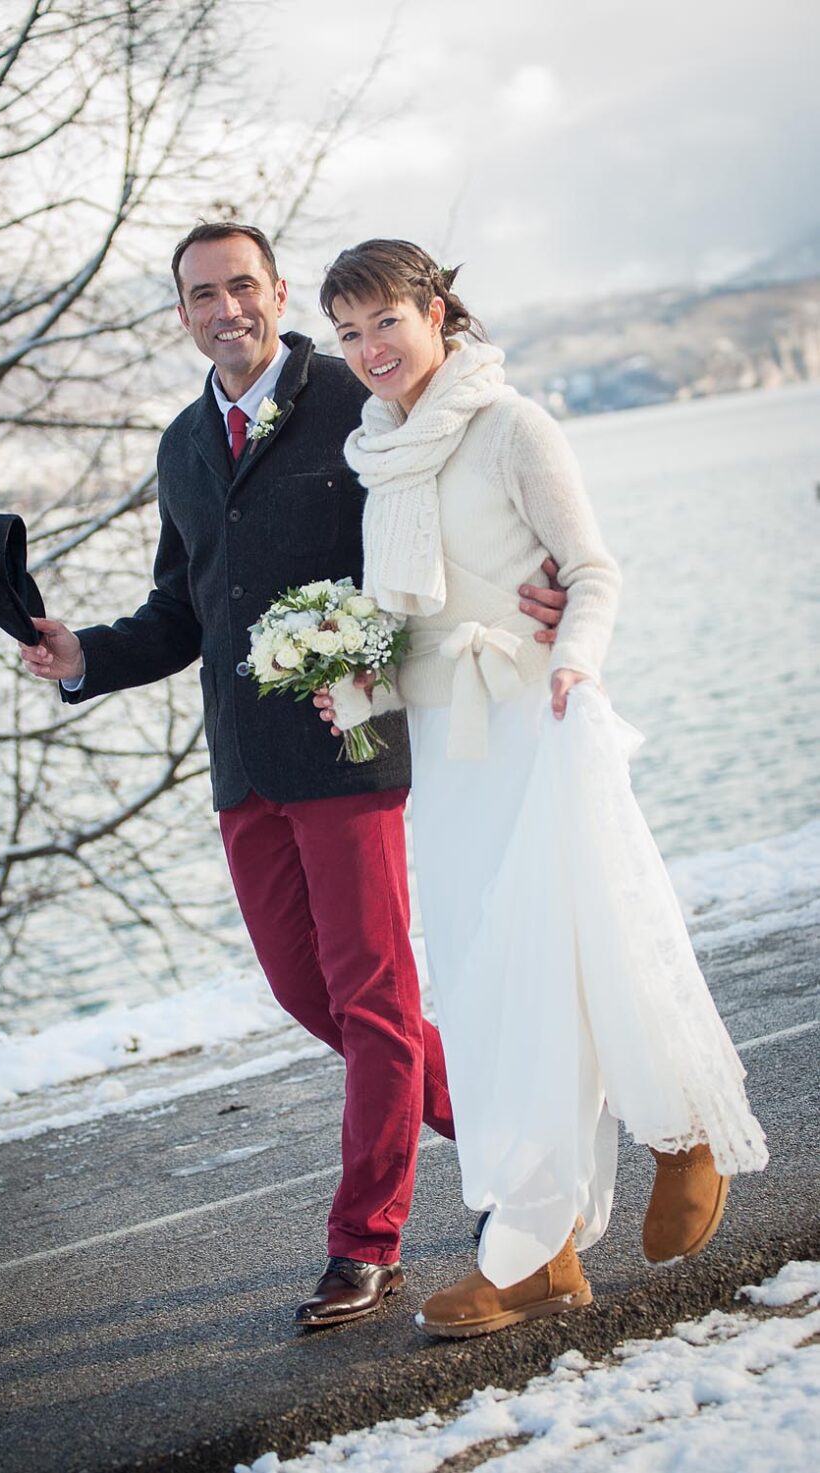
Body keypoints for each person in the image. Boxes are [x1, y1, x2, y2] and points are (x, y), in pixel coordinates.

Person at [17, 222, 568, 1328]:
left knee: (372, 994)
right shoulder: (181, 444)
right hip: (242, 763)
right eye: (199, 294)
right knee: (307, 992)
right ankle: (516, 1149)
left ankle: (366, 1241)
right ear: (180, 313)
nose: (223, 309)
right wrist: (89, 659)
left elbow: (456, 492)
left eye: (240, 287)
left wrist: (536, 579)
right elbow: (184, 608)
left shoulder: (353, 398)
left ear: (274, 293)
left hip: (352, 739)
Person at [315, 238, 768, 1339]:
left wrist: (573, 658)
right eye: (348, 333)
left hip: (535, 722)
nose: (370, 349)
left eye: (386, 321)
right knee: (484, 989)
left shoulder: (509, 425)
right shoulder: (377, 455)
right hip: (451, 757)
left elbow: (592, 569)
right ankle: (545, 1240)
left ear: (436, 311)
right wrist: (362, 688)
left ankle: (672, 1138)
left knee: (580, 947)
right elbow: (416, 620)